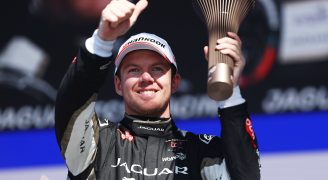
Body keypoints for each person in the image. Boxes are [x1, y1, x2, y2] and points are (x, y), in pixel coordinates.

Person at [55, 0, 261, 179]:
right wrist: (102, 41)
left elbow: (246, 175)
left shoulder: (202, 152)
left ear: (175, 82)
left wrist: (231, 93)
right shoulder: (99, 144)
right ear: (118, 84)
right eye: (134, 70)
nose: (146, 77)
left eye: (157, 69)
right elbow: (70, 109)